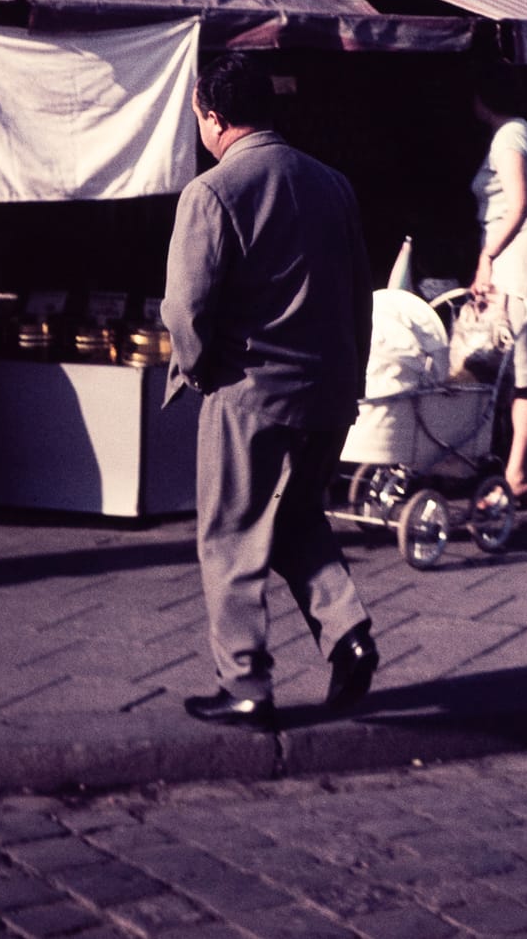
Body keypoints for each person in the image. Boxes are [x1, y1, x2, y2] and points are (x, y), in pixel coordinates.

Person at [163, 53, 378, 729]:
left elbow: (185, 309)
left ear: (214, 117)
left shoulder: (213, 191)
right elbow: (360, 294)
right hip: (328, 392)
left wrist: (198, 371)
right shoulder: (333, 184)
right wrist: (352, 376)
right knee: (294, 519)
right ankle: (348, 632)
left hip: (251, 393)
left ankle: (246, 683)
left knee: (230, 536)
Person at [468, 62, 527, 504]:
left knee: (524, 368)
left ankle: (517, 474)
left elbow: (519, 203)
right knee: (518, 366)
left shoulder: (508, 136)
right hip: (524, 247)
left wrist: (486, 258)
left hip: (519, 251)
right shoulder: (518, 131)